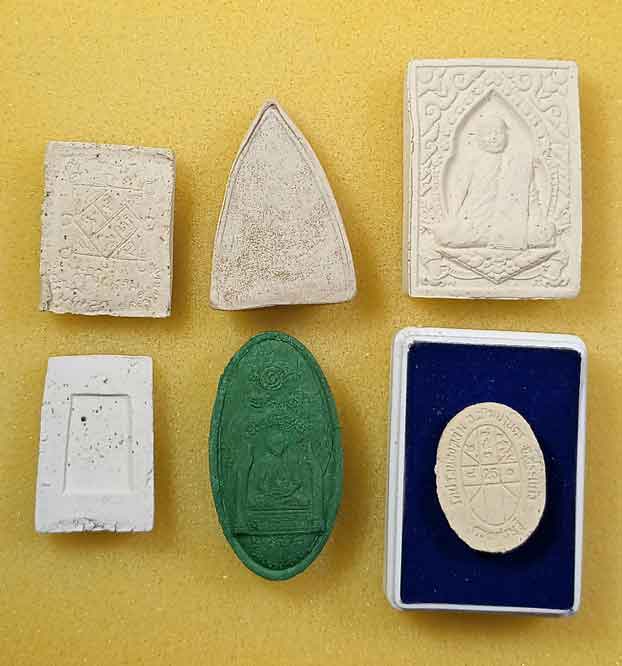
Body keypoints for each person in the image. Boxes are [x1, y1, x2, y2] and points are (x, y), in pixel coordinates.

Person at [437, 115, 554, 250]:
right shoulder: (472, 162)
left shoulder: (519, 164)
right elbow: (458, 192)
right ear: (478, 137)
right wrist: (453, 218)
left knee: (543, 233)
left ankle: (494, 237)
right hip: (476, 220)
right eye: (487, 134)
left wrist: (537, 221)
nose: (493, 138)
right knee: (444, 235)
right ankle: (482, 236)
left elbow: (532, 199)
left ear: (506, 135)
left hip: (507, 224)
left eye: (498, 133)